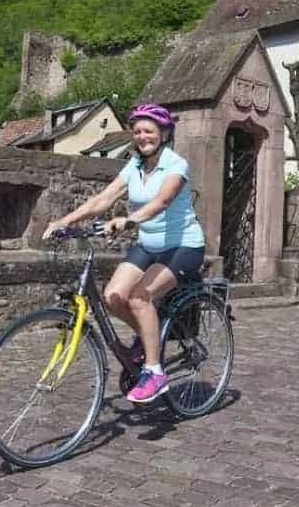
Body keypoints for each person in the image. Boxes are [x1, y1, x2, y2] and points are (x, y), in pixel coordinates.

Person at [43, 103, 206, 403]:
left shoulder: (176, 165)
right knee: (113, 296)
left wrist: (129, 219)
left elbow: (162, 201)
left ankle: (155, 372)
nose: (143, 136)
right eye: (138, 131)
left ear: (165, 133)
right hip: (149, 244)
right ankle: (149, 340)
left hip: (184, 246)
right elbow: (104, 198)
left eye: (150, 131)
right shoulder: (134, 166)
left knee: (140, 297)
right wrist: (64, 221)